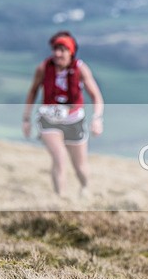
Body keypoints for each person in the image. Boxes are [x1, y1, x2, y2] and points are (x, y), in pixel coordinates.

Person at [22, 31, 104, 197]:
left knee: (80, 166)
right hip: (49, 118)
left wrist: (97, 119)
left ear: (71, 52)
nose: (57, 54)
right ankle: (60, 200)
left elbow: (96, 96)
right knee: (59, 158)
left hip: (74, 120)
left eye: (62, 50)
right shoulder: (44, 68)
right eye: (55, 49)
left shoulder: (81, 69)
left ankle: (85, 187)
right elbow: (33, 91)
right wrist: (26, 118)